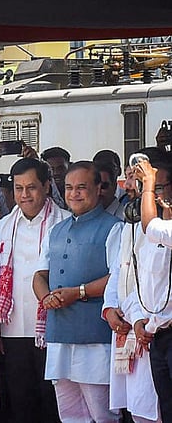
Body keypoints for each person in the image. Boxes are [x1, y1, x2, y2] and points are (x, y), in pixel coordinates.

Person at [33, 161, 122, 423]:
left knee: (101, 412)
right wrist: (45, 297)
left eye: (81, 187)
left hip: (94, 335)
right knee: (69, 412)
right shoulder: (56, 230)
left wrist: (79, 292)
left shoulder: (114, 228)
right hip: (60, 332)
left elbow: (118, 278)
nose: (74, 194)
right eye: (69, 188)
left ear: (99, 188)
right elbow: (40, 274)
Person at [0, 158, 69, 423]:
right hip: (13, 329)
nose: (24, 195)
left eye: (32, 187)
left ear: (47, 186)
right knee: (21, 401)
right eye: (18, 188)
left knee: (53, 402)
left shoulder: (64, 223)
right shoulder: (4, 226)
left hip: (53, 329)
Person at [103, 200, 163, 423]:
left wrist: (135, 316)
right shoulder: (127, 227)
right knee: (137, 408)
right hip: (127, 325)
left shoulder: (160, 231)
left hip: (150, 326)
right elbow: (117, 272)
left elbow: (150, 282)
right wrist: (109, 307)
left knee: (155, 407)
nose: (128, 184)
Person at [132, 156, 172, 421]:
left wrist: (148, 183)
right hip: (161, 334)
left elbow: (150, 226)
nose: (156, 193)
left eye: (160, 185)